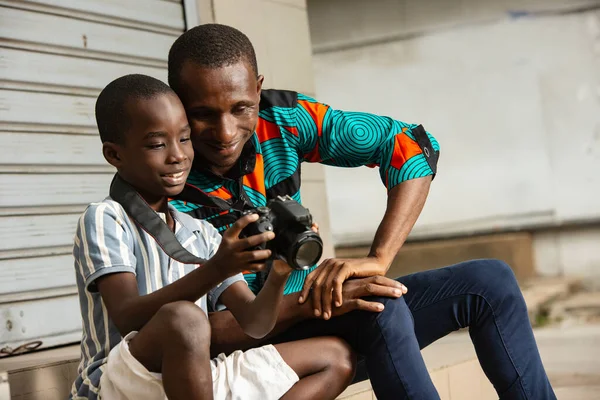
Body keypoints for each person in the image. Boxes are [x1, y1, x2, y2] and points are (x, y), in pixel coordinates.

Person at [166, 24, 556, 400]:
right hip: (247, 351)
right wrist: (315, 300)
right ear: (177, 103)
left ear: (258, 89)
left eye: (241, 108)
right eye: (203, 114)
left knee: (491, 282)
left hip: (316, 318)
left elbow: (410, 145)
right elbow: (199, 334)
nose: (226, 132)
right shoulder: (162, 190)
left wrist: (377, 259)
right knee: (378, 308)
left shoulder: (281, 119)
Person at [69, 74, 356, 400]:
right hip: (121, 383)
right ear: (114, 155)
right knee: (186, 318)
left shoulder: (200, 232)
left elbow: (254, 324)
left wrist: (278, 273)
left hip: (197, 377)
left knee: (335, 357)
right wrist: (217, 269)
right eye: (156, 144)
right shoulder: (106, 218)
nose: (176, 155)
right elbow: (128, 317)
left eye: (185, 139)